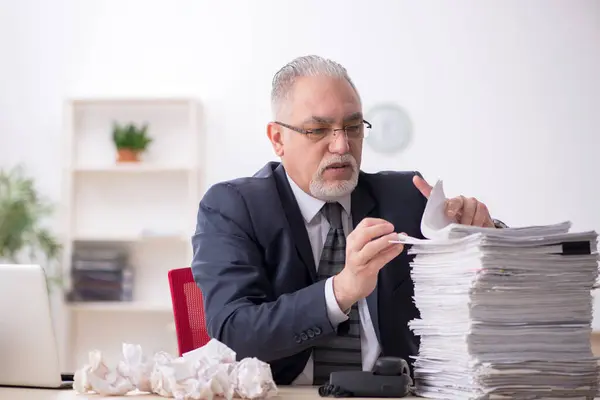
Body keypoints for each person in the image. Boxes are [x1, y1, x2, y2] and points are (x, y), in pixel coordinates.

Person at [191, 55, 503, 385]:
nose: (341, 145)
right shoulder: (233, 207)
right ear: (278, 139)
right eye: (317, 130)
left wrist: (484, 238)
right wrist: (340, 291)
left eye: (353, 127)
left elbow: (484, 294)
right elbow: (233, 332)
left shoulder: (406, 197)